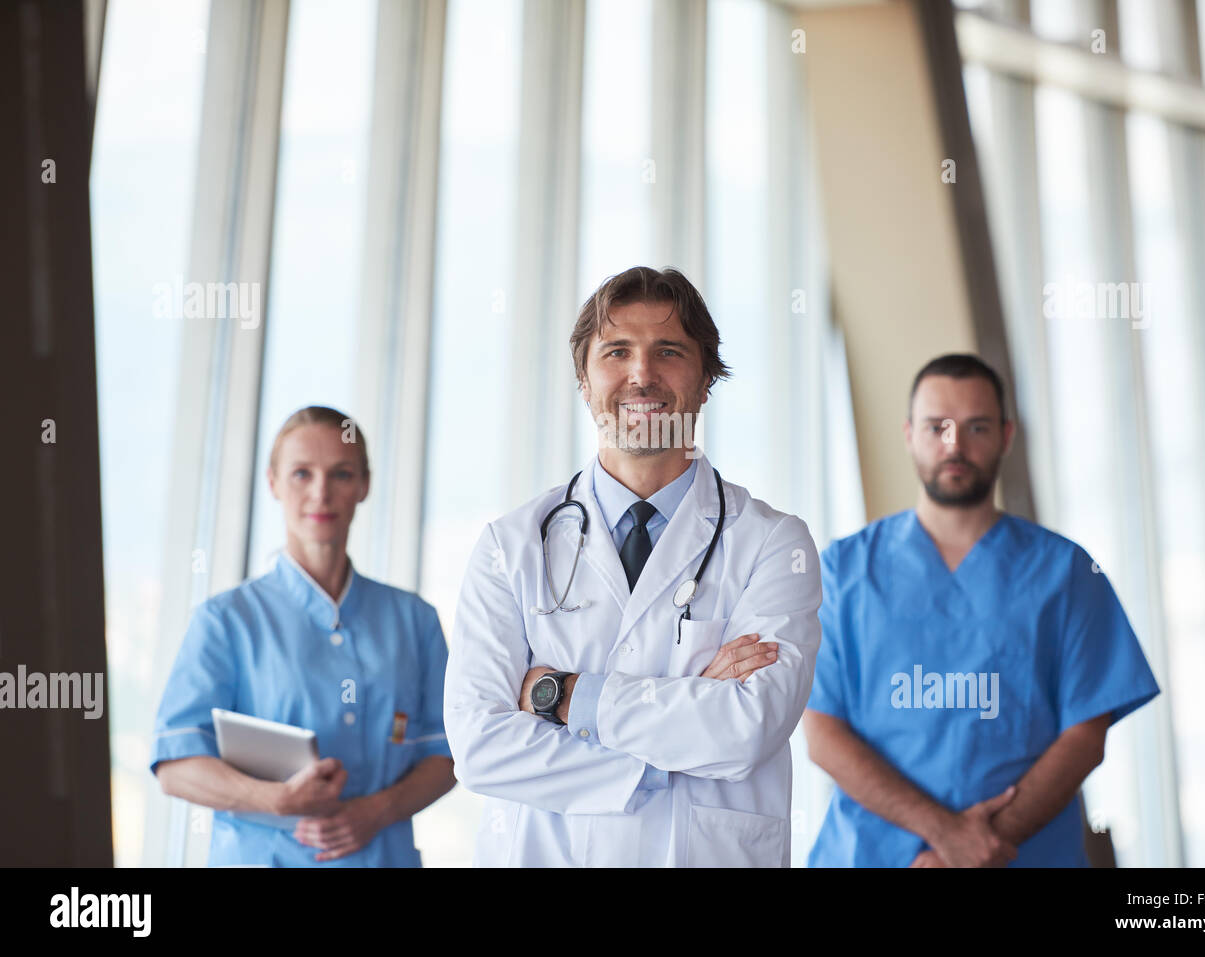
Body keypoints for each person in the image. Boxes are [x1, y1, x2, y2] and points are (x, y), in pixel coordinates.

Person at [444, 266, 822, 867]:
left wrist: (560, 696)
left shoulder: (775, 544)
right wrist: (680, 730)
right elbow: (480, 748)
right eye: (617, 352)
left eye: (668, 352)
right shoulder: (508, 546)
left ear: (704, 381)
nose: (641, 374)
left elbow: (748, 729)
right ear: (584, 381)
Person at [805, 354, 1160, 867]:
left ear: (1006, 436)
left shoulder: (1066, 572)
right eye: (937, 427)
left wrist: (981, 847)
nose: (955, 445)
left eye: (976, 427)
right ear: (909, 434)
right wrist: (947, 836)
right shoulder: (843, 570)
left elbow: (1085, 735)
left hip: (1020, 854)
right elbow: (821, 730)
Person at [150, 407, 457, 866]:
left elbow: (449, 752)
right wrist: (274, 799)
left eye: (341, 474)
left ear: (364, 485)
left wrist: (376, 811)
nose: (321, 493)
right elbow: (175, 765)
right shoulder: (225, 621)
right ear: (273, 483)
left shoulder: (414, 620)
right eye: (301, 474)